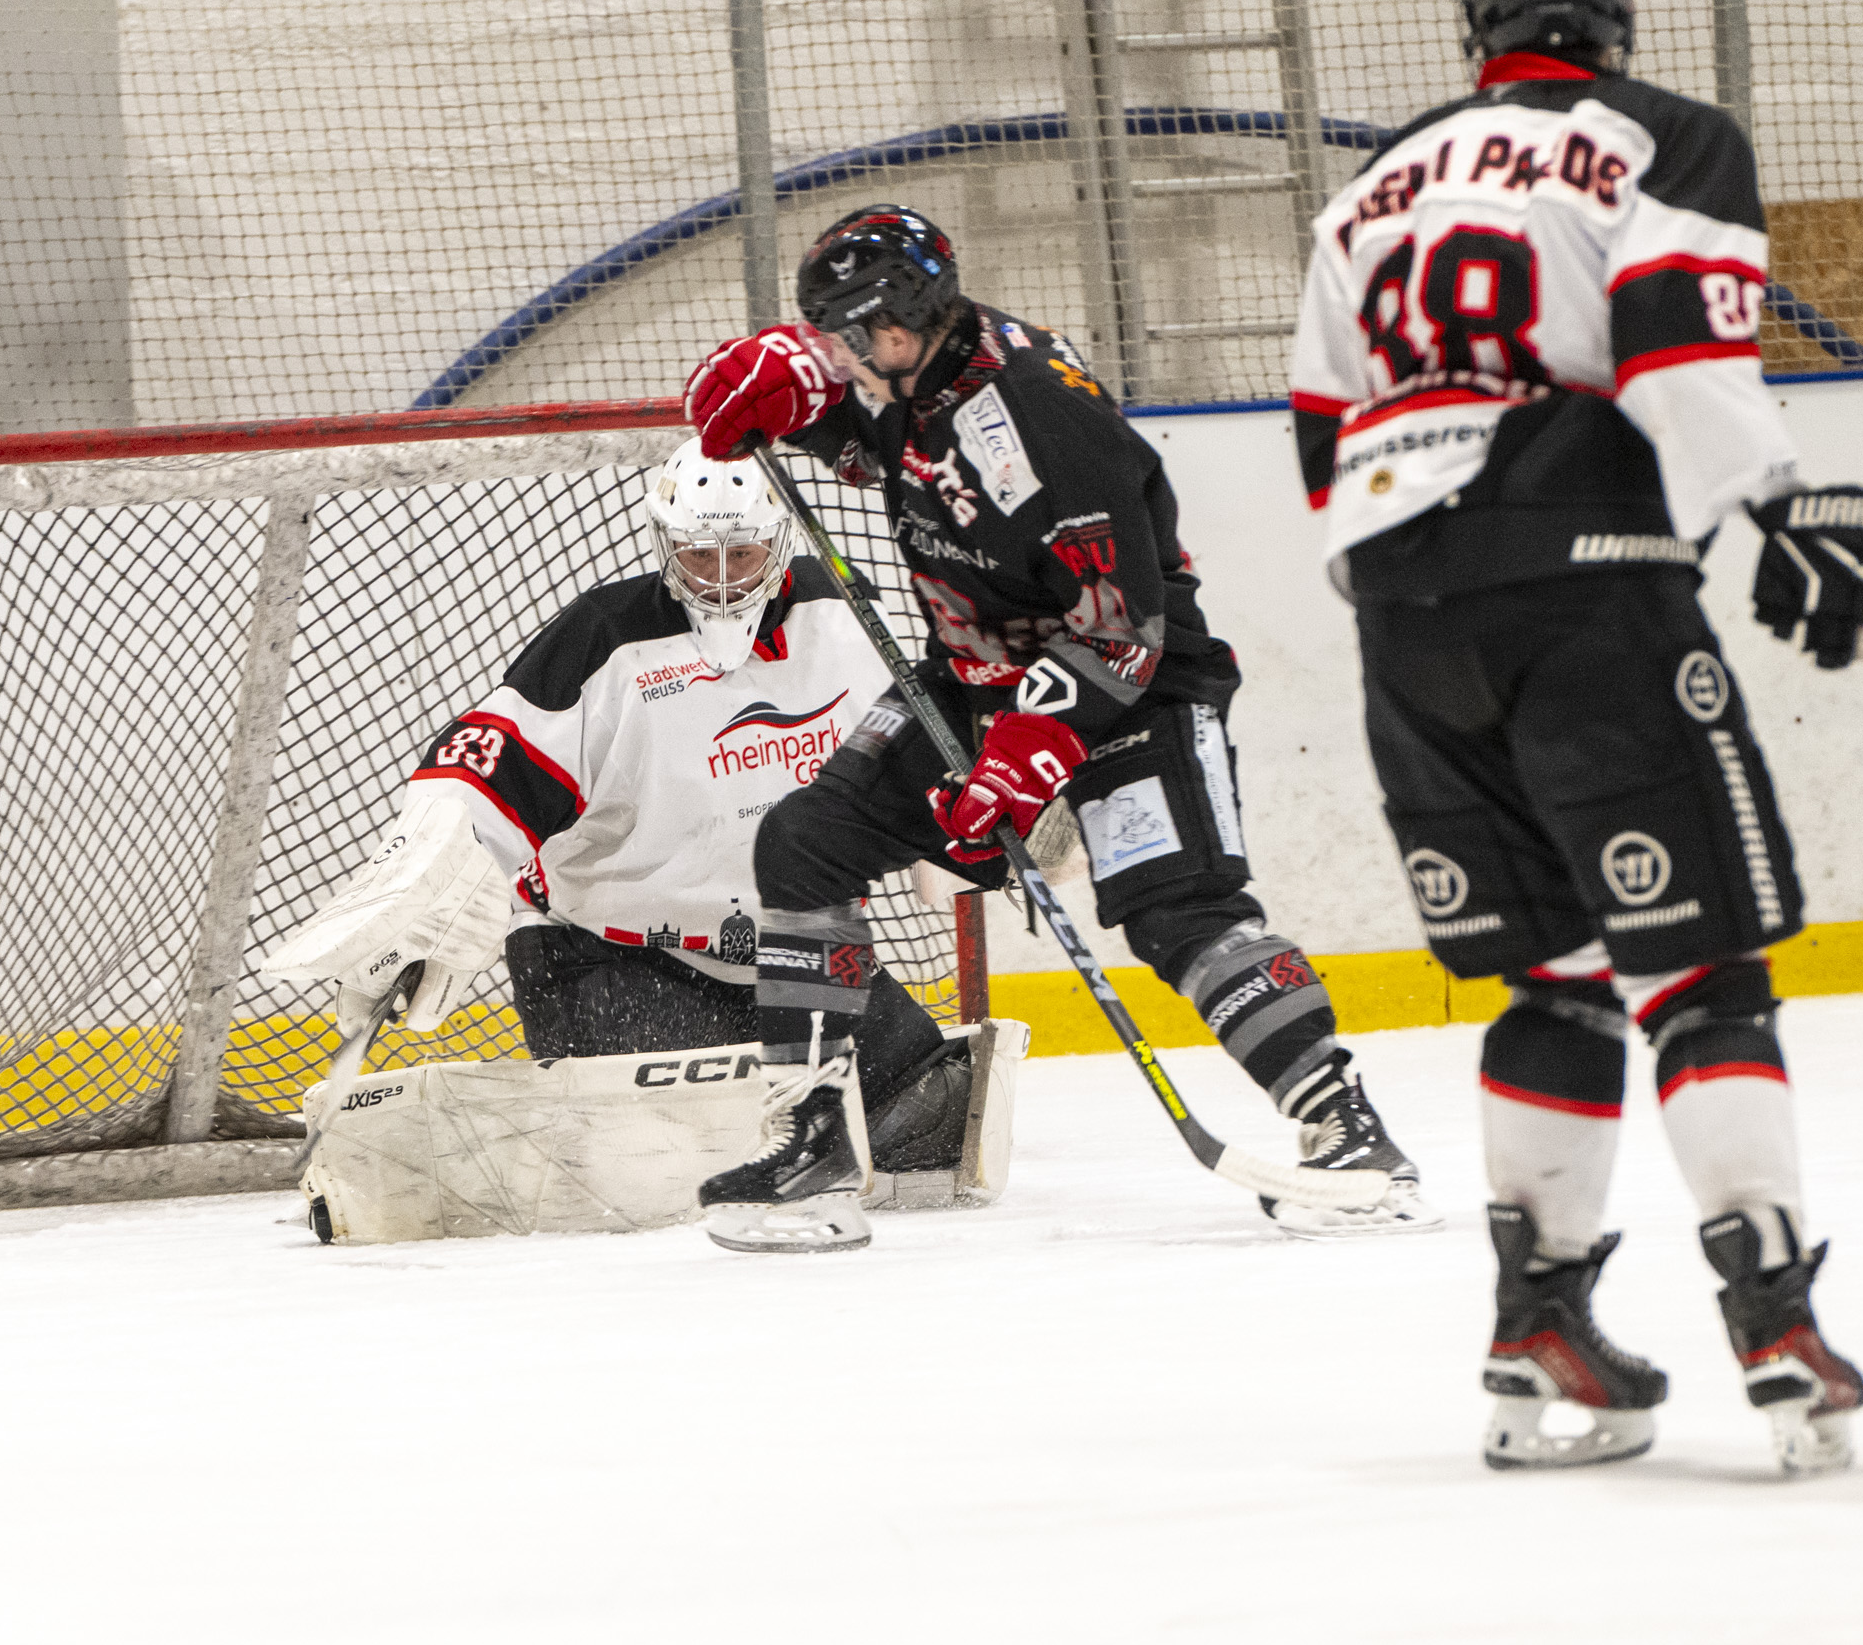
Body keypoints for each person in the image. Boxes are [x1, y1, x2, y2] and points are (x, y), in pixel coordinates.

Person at [1285, 0, 1863, 1474]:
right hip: (1591, 588)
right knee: (1697, 968)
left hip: (1406, 616)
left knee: (1553, 983)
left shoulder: (1369, 183)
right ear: (1611, 25)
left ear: (1474, 35)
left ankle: (1536, 1325)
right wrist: (1777, 506)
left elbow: (1315, 425)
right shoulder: (1663, 135)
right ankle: (1776, 1322)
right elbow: (1677, 351)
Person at [680, 203, 1437, 1254]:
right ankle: (813, 1143)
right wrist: (787, 404)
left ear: (918, 315)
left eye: (863, 334)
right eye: (835, 336)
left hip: (1137, 684)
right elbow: (882, 453)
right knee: (805, 841)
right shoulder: (915, 376)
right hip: (977, 672)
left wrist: (1023, 759)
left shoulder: (1037, 411)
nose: (850, 353)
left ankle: (1345, 1124)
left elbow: (1118, 625)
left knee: (1180, 911)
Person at [261, 435, 976, 1183]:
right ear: (666, 547)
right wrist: (422, 903)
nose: (725, 580)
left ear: (779, 540)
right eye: (701, 556)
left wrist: (972, 810)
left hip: (794, 950)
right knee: (669, 1167)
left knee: (929, 1119)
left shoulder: (841, 616)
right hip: (615, 959)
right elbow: (477, 781)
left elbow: (920, 746)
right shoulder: (604, 640)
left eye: (745, 555)